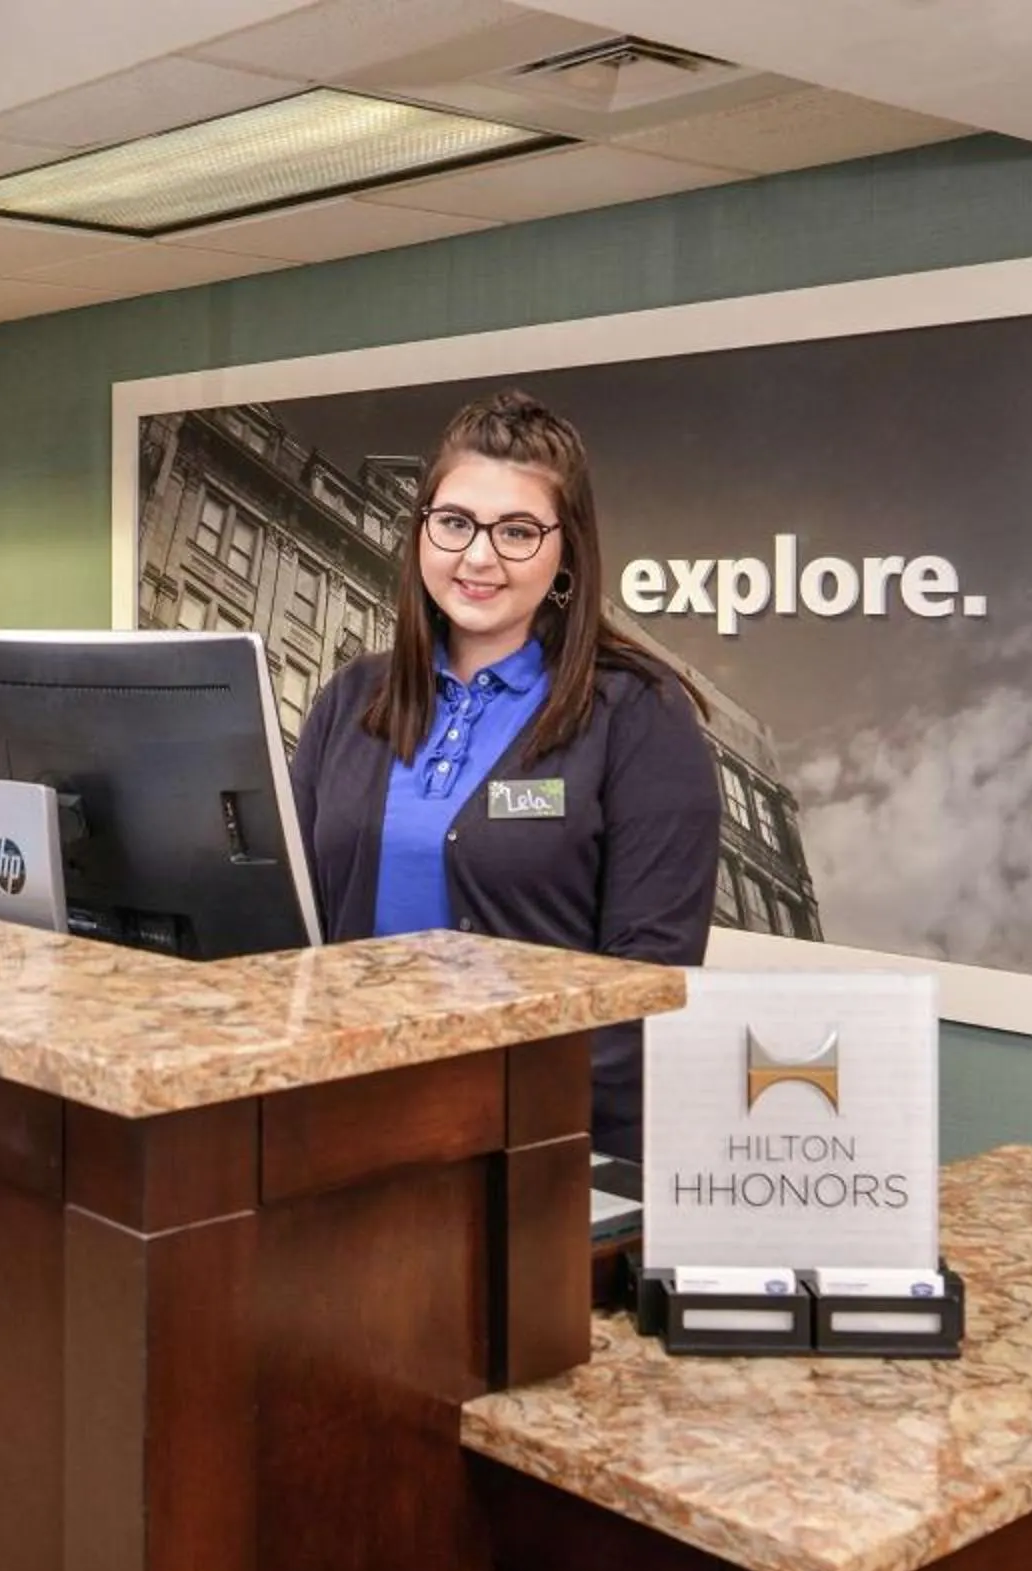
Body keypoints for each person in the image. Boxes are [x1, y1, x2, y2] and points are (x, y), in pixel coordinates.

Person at [289, 389, 722, 1162]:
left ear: (567, 551)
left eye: (518, 531)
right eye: (454, 523)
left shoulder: (639, 716)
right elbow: (288, 923)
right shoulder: (352, 699)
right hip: (348, 1126)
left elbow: (647, 989)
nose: (478, 557)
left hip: (540, 1156)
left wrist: (471, 1110)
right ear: (422, 530)